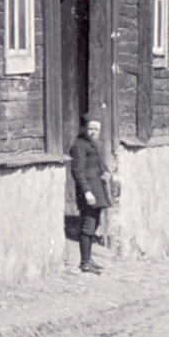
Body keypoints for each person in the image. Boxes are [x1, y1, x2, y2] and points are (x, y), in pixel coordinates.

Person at [68, 117, 114, 274]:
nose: (93, 132)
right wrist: (87, 192)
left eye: (96, 129)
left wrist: (107, 173)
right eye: (90, 129)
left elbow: (101, 164)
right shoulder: (79, 146)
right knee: (87, 225)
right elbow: (77, 171)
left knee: (94, 224)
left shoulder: (94, 145)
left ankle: (88, 259)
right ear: (83, 129)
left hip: (98, 188)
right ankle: (85, 262)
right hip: (88, 191)